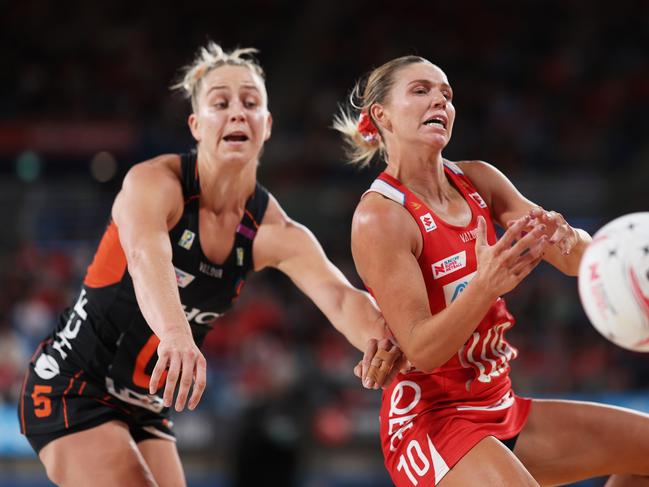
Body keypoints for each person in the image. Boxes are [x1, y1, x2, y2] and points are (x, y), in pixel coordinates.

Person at [18, 42, 405, 487]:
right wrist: (177, 333)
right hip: (73, 384)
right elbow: (146, 258)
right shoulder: (154, 184)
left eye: (250, 103)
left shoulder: (273, 229)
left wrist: (389, 342)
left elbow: (339, 297)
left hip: (145, 406)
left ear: (267, 125)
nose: (237, 112)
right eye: (220, 103)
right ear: (196, 125)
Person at [335, 55, 649, 486]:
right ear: (380, 115)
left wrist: (569, 236)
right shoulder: (381, 217)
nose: (439, 103)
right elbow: (423, 350)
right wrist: (485, 286)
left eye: (446, 95)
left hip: (498, 404)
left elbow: (578, 260)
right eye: (421, 91)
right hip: (432, 422)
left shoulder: (479, 179)